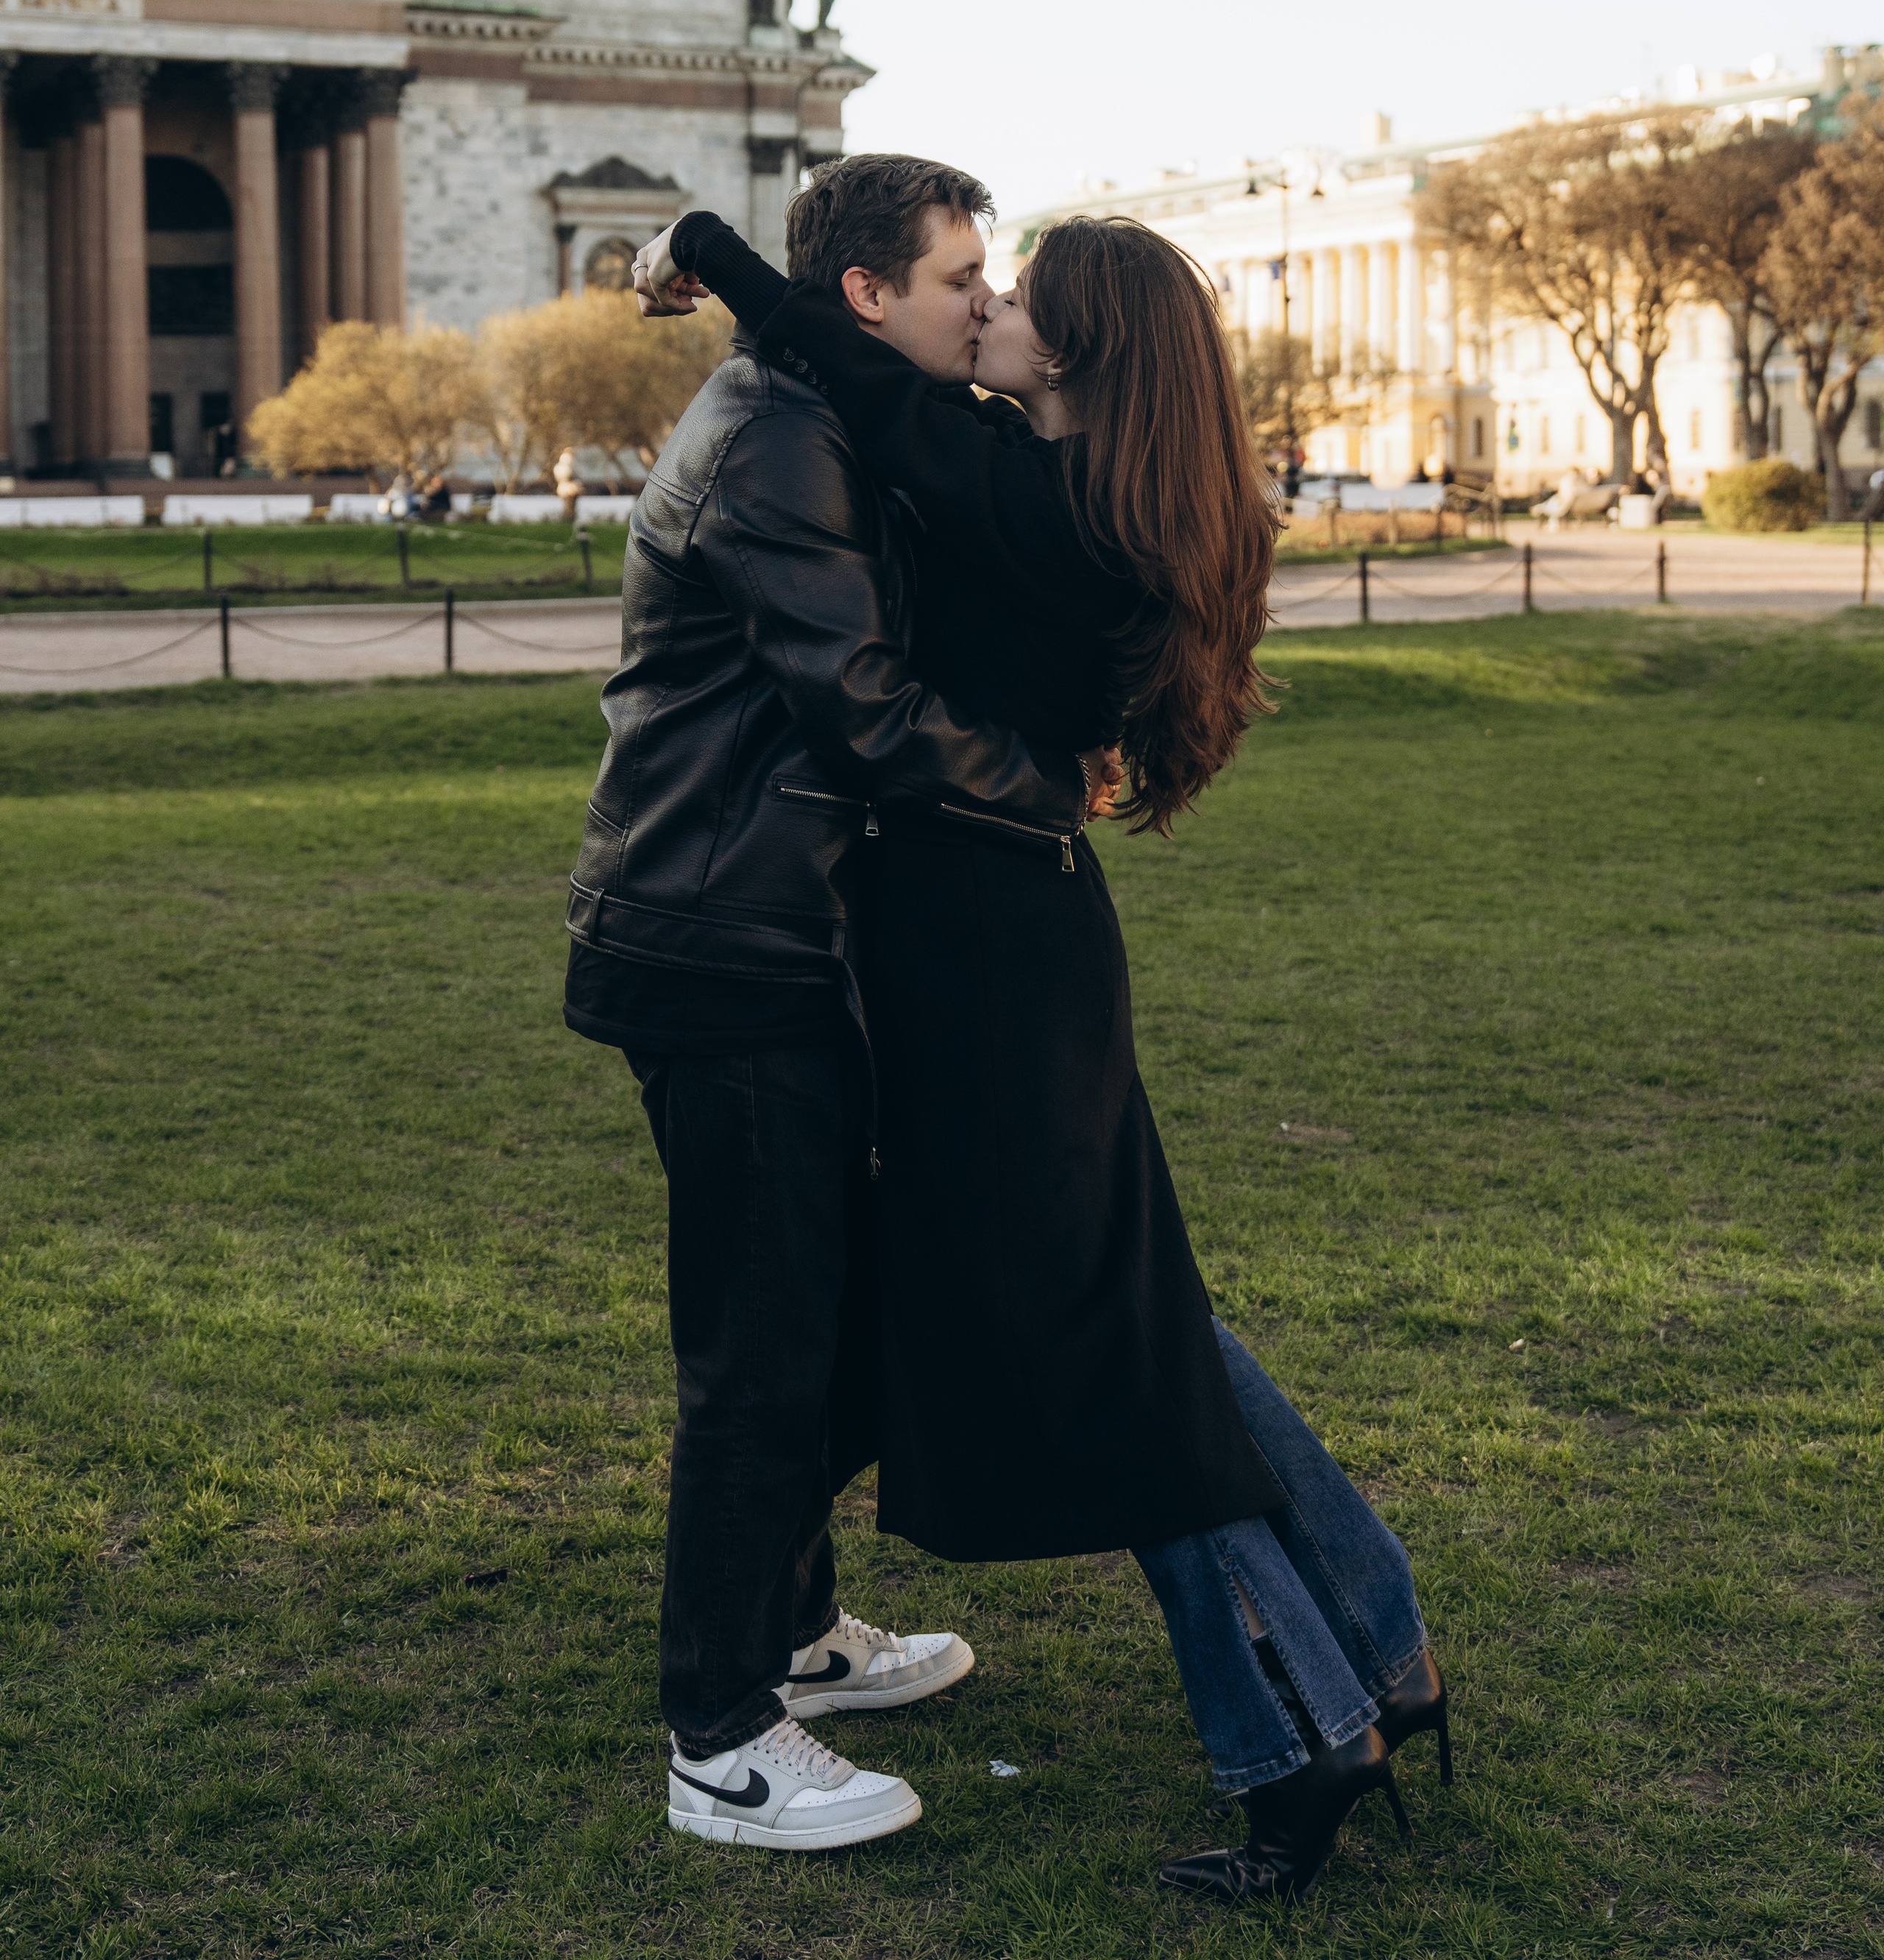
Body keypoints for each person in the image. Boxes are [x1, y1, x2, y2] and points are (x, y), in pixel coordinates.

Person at [635, 181, 1448, 1908]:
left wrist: (704, 251)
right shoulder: (1109, 498)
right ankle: (1374, 1649)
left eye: (1009, 296)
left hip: (981, 965)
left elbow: (830, 360)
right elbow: (849, 368)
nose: (983, 310)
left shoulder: (1020, 492)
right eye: (970, 283)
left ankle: (1299, 1734)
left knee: (1125, 1363)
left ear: (1068, 351)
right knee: (1151, 1327)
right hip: (1020, 942)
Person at [560, 156, 1113, 1855]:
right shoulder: (779, 440)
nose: (983, 299)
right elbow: (863, 710)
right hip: (724, 941)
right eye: (960, 276)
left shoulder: (816, 400)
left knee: (830, 1315)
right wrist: (1044, 784)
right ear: (871, 297)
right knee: (762, 1350)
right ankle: (719, 1734)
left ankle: (793, 1637)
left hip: (779, 929)